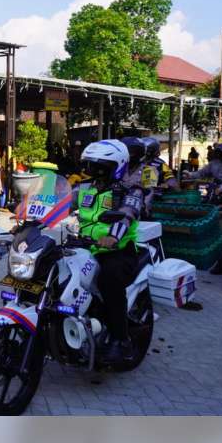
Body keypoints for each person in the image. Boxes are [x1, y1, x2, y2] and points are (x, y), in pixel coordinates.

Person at [76, 139, 145, 363]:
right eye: (90, 165)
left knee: (109, 279)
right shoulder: (84, 187)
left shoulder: (130, 190)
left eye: (100, 166)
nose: (93, 171)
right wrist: (32, 217)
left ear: (117, 166)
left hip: (118, 251)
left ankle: (121, 340)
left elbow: (127, 214)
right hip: (85, 247)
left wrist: (113, 237)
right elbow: (59, 203)